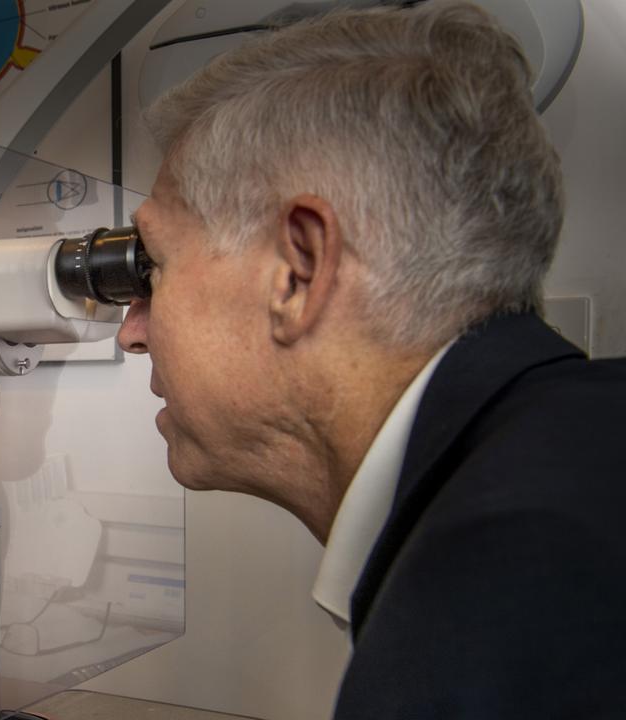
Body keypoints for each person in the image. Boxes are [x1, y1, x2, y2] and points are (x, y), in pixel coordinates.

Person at [116, 2, 626, 717]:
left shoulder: (493, 603)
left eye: (155, 265)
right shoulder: (568, 466)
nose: (131, 331)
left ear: (299, 270)